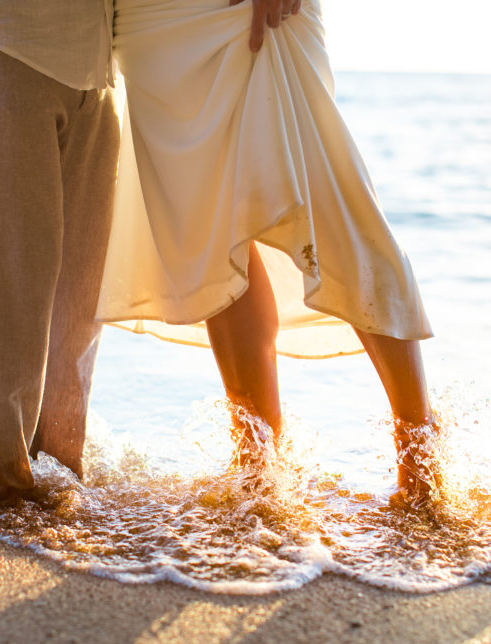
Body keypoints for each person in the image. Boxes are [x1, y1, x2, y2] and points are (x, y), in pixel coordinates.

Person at [97, 0, 438, 499]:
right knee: (207, 233)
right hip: (149, 18)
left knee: (338, 208)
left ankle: (422, 460)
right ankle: (259, 468)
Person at [0, 2, 121, 509]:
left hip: (95, 65)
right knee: (1, 287)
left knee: (78, 308)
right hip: (2, 41)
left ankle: (54, 492)